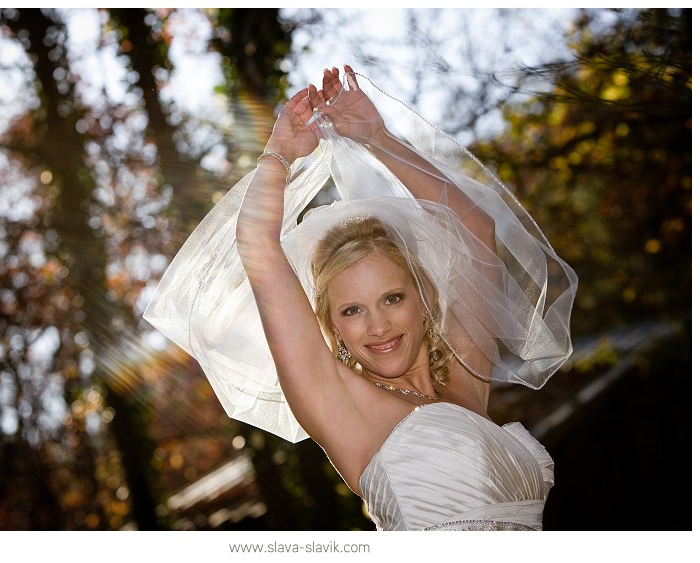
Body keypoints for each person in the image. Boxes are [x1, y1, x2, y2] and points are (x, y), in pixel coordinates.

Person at [145, 66, 577, 530]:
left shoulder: (466, 374)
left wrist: (378, 138)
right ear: (331, 326)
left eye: (392, 298)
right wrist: (279, 156)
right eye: (352, 310)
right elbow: (258, 247)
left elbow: (475, 228)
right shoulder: (340, 403)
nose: (378, 327)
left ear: (424, 298)